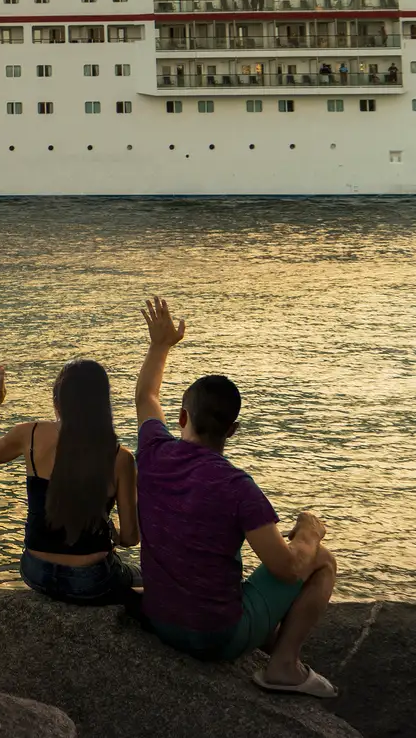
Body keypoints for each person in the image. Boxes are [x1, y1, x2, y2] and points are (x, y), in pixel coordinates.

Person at [134, 296, 339, 697]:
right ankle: (283, 668)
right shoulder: (237, 487)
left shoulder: (154, 451)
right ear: (232, 431)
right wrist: (311, 532)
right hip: (213, 638)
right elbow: (285, 568)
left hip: (158, 619)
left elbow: (146, 397)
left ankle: (270, 638)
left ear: (181, 417)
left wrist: (160, 346)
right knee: (322, 561)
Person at [0, 359, 140, 604]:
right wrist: (114, 534)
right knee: (139, 575)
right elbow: (131, 538)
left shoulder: (29, 434)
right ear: (103, 404)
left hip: (36, 570)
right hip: (90, 580)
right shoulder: (119, 457)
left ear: (57, 399)